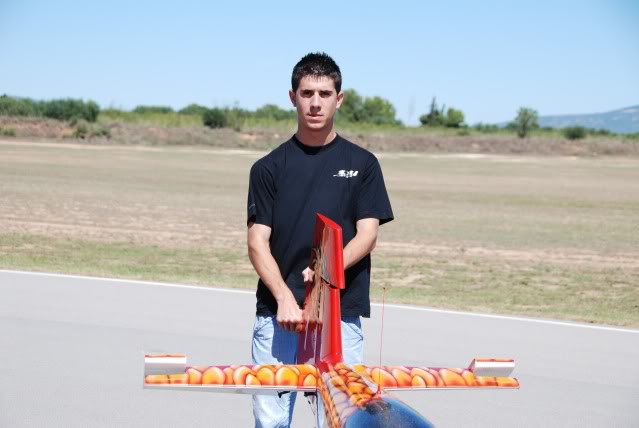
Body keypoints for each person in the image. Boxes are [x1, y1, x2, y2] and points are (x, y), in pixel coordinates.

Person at [246, 52, 394, 428]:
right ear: (292, 96)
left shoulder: (363, 164)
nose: (315, 102)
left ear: (339, 98)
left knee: (340, 421)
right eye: (307, 92)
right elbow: (257, 242)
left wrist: (325, 272)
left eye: (325, 93)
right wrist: (283, 298)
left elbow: (368, 234)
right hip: (281, 316)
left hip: (340, 315)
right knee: (273, 423)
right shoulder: (267, 168)